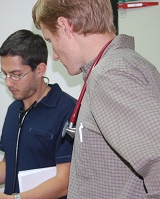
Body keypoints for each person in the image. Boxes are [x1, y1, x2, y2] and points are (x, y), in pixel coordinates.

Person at [32, 0, 160, 198]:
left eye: (50, 41)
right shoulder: (127, 64)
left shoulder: (110, 75)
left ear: (65, 26)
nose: (55, 56)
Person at [0, 29, 76, 199]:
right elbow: (9, 165)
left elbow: (64, 182)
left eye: (16, 75)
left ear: (40, 69)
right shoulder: (14, 110)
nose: (8, 82)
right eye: (5, 74)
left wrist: (15, 198)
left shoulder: (68, 110)